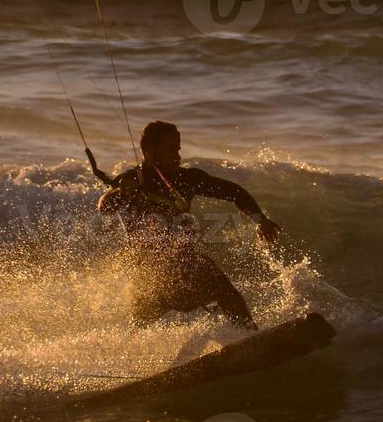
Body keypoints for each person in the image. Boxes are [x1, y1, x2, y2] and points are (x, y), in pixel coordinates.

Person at [97, 121, 280, 329]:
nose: (177, 156)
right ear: (149, 151)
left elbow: (234, 192)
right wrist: (122, 192)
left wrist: (260, 220)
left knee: (223, 288)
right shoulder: (132, 180)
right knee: (138, 328)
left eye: (178, 149)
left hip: (187, 268)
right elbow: (105, 206)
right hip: (150, 278)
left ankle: (249, 336)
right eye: (170, 149)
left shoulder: (187, 180)